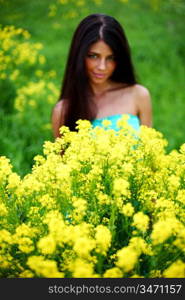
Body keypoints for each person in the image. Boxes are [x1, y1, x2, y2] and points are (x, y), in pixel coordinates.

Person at [52, 13, 152, 138]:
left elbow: (149, 151)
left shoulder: (139, 95)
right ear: (79, 56)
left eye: (111, 58)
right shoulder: (63, 110)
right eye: (93, 56)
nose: (102, 67)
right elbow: (61, 157)